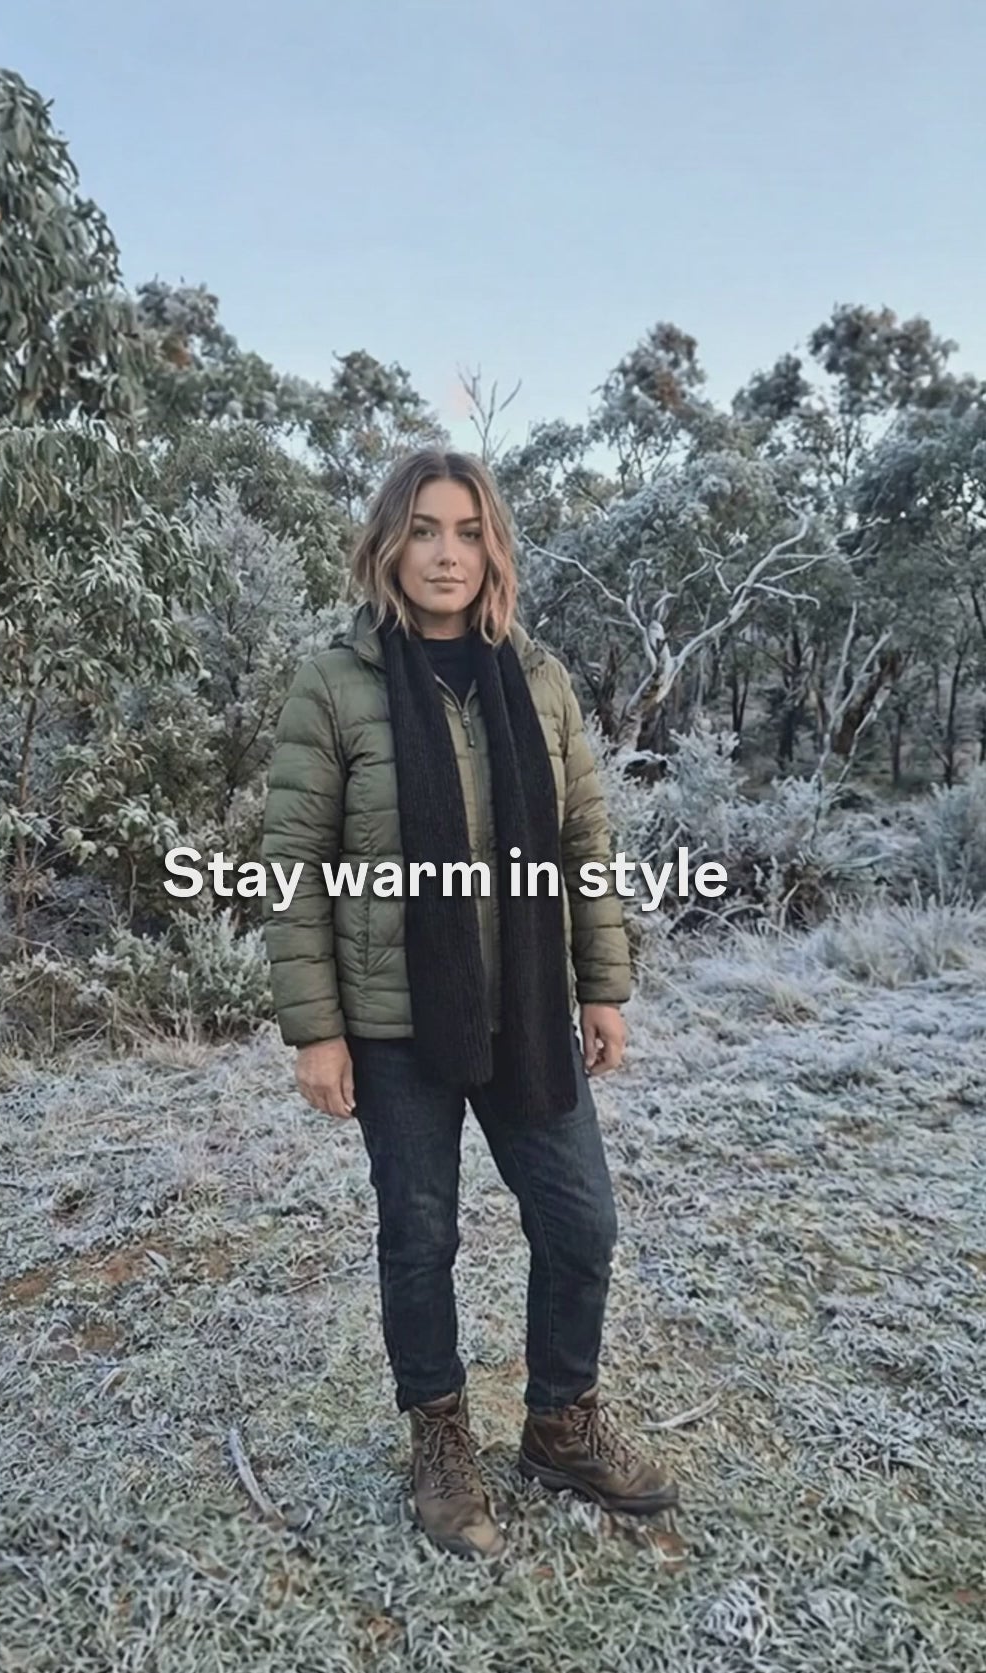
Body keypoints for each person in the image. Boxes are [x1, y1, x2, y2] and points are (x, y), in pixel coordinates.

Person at [261, 448, 678, 1561]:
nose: (447, 553)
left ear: (493, 547)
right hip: (395, 1020)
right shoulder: (337, 680)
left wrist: (603, 985)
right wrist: (316, 1027)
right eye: (425, 529)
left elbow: (586, 842)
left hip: (529, 1006)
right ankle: (439, 1435)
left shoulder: (535, 676)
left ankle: (559, 1422)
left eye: (468, 530)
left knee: (582, 1219)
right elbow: (294, 860)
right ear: (389, 543)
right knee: (420, 1232)